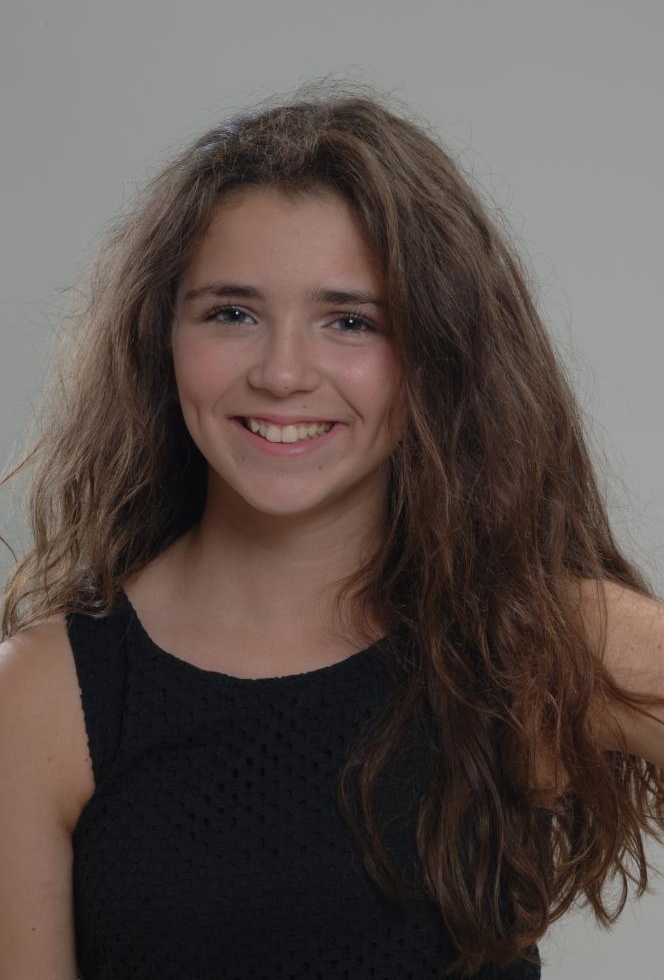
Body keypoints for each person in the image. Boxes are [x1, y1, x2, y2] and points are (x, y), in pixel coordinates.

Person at [1, 78, 663, 980]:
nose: (283, 374)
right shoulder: (43, 695)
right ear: (163, 336)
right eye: (232, 313)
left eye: (350, 322)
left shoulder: (528, 641)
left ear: (438, 354)